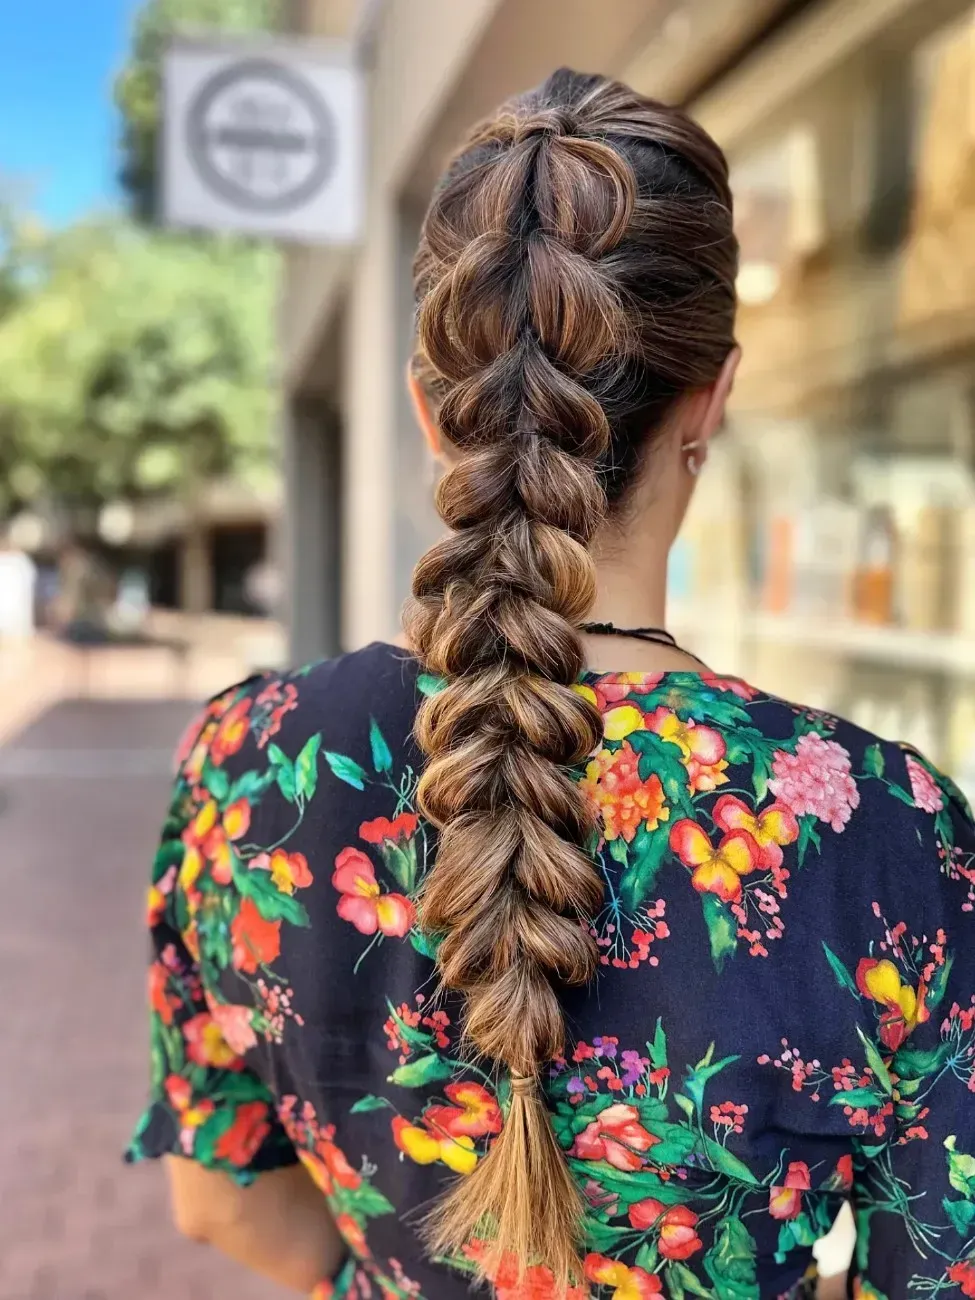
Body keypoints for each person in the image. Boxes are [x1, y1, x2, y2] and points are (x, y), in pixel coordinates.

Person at [127, 70, 975, 1300]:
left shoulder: (244, 766)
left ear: (433, 414)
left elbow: (222, 1200)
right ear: (713, 399)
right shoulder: (884, 834)